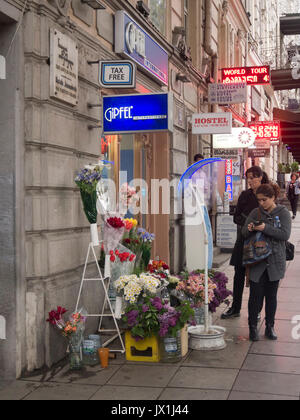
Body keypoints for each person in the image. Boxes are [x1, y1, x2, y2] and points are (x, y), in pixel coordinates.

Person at [242, 183, 291, 341]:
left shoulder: (283, 213)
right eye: (259, 200)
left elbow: (285, 234)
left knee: (271, 296)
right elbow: (243, 232)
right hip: (257, 261)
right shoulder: (255, 212)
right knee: (255, 296)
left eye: (264, 200)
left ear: (273, 198)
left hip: (275, 261)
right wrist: (250, 228)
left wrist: (265, 228)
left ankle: (270, 326)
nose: (261, 203)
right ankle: (252, 327)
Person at [221, 166, 269, 319]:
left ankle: (256, 311)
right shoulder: (245, 195)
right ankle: (235, 308)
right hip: (243, 239)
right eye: (247, 178)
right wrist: (249, 224)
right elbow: (236, 217)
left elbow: (272, 216)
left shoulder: (268, 193)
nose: (249, 181)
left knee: (259, 277)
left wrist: (258, 227)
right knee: (238, 275)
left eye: (252, 178)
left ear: (260, 177)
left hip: (261, 241)